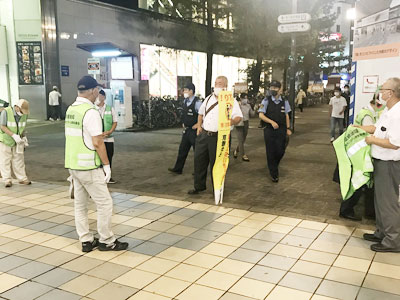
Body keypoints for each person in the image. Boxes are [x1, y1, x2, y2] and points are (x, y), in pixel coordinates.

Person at [65, 75, 128, 252]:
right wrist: (106, 165)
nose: (98, 94)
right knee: (105, 203)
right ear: (93, 91)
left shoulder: (71, 109)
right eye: (97, 91)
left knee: (80, 204)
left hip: (73, 165)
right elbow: (98, 142)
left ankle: (85, 240)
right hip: (89, 166)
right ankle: (107, 240)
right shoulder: (90, 112)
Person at [360, 78, 400, 252]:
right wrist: (358, 128)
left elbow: (395, 143)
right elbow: (376, 128)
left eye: (383, 89)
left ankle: (392, 240)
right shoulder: (387, 111)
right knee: (379, 200)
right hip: (380, 161)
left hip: (389, 163)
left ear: (390, 93)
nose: (380, 93)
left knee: (388, 202)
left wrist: (372, 140)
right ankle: (381, 232)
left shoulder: (398, 114)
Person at [188, 76, 243, 195]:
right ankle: (198, 186)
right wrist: (199, 126)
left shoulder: (230, 100)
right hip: (204, 135)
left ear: (225, 86)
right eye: (216, 83)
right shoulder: (208, 98)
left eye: (220, 84)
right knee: (199, 161)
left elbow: (238, 117)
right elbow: (201, 113)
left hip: (219, 137)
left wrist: (231, 122)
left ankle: (217, 190)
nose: (217, 86)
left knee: (217, 164)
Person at [338, 95, 383, 221]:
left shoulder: (368, 112)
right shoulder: (367, 114)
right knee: (359, 182)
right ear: (377, 102)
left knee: (365, 183)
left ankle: (368, 211)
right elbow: (371, 130)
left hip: (360, 152)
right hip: (360, 153)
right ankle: (346, 209)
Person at [258, 80, 292, 183]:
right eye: (272, 87)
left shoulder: (284, 101)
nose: (273, 89)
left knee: (280, 150)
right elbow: (261, 114)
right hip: (269, 129)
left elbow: (286, 115)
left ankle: (274, 165)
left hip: (281, 129)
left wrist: (288, 128)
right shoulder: (266, 100)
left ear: (280, 89)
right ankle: (274, 173)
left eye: (275, 88)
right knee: (270, 151)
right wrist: (271, 122)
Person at [168, 83, 201, 175]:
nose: (184, 92)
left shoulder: (197, 102)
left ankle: (198, 171)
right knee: (182, 150)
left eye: (186, 90)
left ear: (191, 91)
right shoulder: (185, 101)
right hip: (186, 130)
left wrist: (199, 124)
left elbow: (202, 115)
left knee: (197, 152)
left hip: (194, 131)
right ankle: (178, 168)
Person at [0, 99, 31, 188]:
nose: (23, 113)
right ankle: (7, 180)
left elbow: (22, 126)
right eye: (21, 111)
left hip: (18, 141)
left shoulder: (25, 114)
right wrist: (13, 135)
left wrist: (23, 136)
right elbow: (2, 126)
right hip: (5, 140)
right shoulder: (6, 112)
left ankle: (22, 179)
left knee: (19, 159)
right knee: (5, 160)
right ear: (17, 107)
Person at [96, 90, 117, 184]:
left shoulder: (110, 108)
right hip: (98, 138)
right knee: (98, 158)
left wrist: (110, 131)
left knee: (109, 156)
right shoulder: (93, 109)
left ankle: (108, 176)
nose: (99, 98)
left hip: (109, 138)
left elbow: (115, 122)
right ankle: (99, 177)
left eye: (101, 96)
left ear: (104, 97)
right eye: (98, 96)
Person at [234, 93, 254, 162]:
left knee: (243, 139)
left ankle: (236, 150)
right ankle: (243, 155)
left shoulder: (248, 106)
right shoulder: (237, 105)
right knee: (240, 139)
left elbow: (252, 114)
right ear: (241, 98)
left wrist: (255, 108)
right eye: (244, 98)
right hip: (239, 123)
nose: (246, 100)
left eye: (246, 98)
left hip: (246, 123)